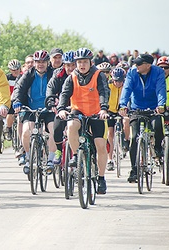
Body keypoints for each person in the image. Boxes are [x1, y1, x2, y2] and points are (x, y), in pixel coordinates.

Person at [57, 48, 110, 195]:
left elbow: (104, 92)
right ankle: (76, 155)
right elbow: (65, 93)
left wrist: (104, 109)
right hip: (78, 111)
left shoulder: (99, 75)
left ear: (90, 62)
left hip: (96, 113)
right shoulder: (72, 77)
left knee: (100, 144)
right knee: (71, 125)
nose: (82, 65)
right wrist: (61, 108)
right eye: (79, 62)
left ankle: (101, 178)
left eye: (85, 62)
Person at [118, 54, 166, 183]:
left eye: (139, 64)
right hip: (136, 108)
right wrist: (123, 105)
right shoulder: (132, 72)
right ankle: (134, 169)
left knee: (157, 126)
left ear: (148, 65)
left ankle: (157, 148)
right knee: (134, 138)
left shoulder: (158, 72)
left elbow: (161, 89)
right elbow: (126, 89)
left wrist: (161, 105)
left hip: (153, 107)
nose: (136, 66)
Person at [12, 50, 56, 175]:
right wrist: (17, 101)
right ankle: (27, 157)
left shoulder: (53, 74)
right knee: (26, 132)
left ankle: (51, 160)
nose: (40, 64)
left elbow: (59, 88)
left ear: (48, 63)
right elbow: (18, 89)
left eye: (43, 62)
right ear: (34, 63)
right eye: (38, 62)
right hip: (31, 109)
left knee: (53, 130)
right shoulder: (28, 74)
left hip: (49, 109)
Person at [45, 50, 76, 164]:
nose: (71, 68)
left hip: (78, 107)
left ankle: (83, 154)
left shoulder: (81, 75)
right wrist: (51, 101)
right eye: (68, 65)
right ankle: (58, 151)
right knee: (57, 128)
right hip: (62, 106)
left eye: (73, 65)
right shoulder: (58, 74)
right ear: (64, 65)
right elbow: (50, 88)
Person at [105, 67, 130, 171]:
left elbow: (130, 98)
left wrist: (126, 109)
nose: (118, 83)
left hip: (122, 110)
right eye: (116, 80)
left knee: (126, 120)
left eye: (120, 81)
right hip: (110, 110)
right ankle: (110, 159)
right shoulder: (108, 85)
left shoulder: (126, 86)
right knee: (110, 134)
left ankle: (126, 140)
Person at [5, 59, 22, 141]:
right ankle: (8, 129)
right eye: (13, 70)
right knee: (10, 112)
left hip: (19, 99)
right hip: (10, 99)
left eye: (17, 70)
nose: (15, 72)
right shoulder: (7, 78)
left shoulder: (23, 76)